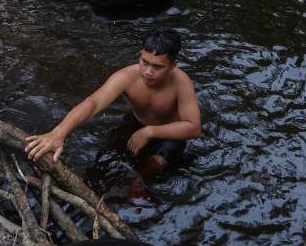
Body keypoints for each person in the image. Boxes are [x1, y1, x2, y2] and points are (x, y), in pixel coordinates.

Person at [25, 29, 201, 176]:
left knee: (154, 166)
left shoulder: (181, 82)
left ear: (173, 65)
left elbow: (193, 128)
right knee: (104, 160)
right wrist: (58, 133)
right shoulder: (127, 77)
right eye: (144, 62)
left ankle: (136, 190)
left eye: (157, 67)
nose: (147, 72)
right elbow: (93, 102)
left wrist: (149, 132)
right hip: (136, 123)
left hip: (170, 133)